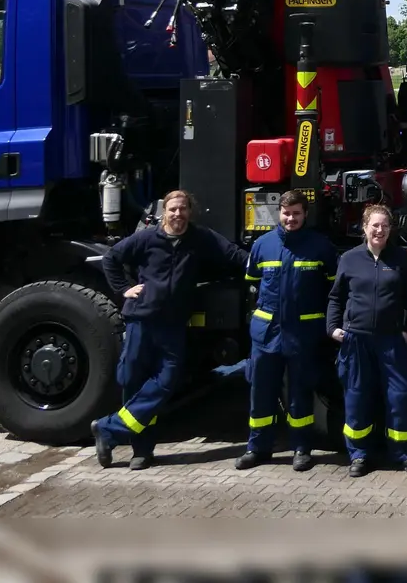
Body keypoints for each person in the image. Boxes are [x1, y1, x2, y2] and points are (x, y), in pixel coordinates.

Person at [93, 191, 248, 470]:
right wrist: (124, 288)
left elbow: (233, 254)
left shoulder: (200, 238)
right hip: (142, 320)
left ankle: (108, 429)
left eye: (183, 209)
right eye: (173, 209)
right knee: (133, 381)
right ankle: (142, 451)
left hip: (173, 325)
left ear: (190, 211)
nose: (178, 214)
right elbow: (111, 258)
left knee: (167, 382)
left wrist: (265, 262)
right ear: (164, 212)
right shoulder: (146, 239)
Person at [234, 190, 337, 473]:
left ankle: (301, 448)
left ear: (305, 214)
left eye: (296, 214)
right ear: (279, 213)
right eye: (286, 213)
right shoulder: (262, 245)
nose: (291, 218)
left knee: (300, 392)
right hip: (267, 334)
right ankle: (257, 448)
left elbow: (333, 289)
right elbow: (252, 283)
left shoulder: (320, 247)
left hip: (303, 333)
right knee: (261, 392)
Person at [327, 205, 407, 477]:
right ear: (365, 227)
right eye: (375, 225)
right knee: (357, 396)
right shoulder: (349, 259)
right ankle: (359, 455)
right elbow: (336, 297)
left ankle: (404, 453)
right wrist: (332, 328)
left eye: (384, 225)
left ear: (390, 228)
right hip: (356, 340)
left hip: (391, 340)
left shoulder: (401, 259)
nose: (380, 230)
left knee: (401, 396)